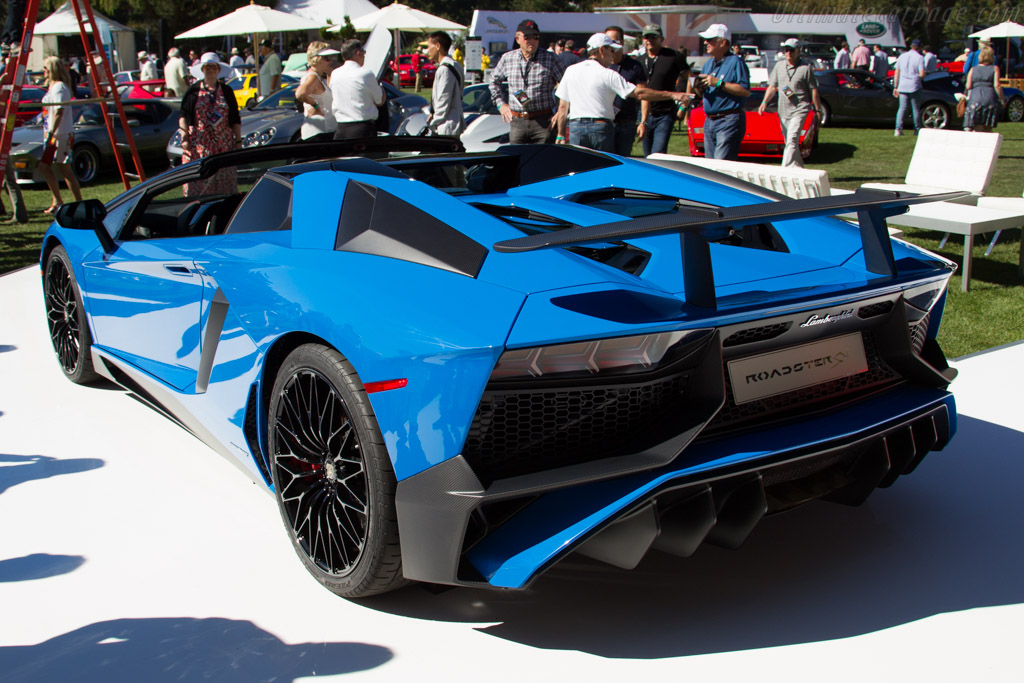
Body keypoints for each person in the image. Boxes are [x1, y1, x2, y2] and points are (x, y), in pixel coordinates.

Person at [555, 33, 688, 153]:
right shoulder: (608, 74)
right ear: (602, 50)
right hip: (600, 127)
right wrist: (672, 95)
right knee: (604, 172)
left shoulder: (571, 71)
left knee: (581, 172)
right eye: (611, 50)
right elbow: (640, 93)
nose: (613, 55)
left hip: (575, 127)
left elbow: (562, 106)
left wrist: (560, 135)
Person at [489, 19, 565, 144]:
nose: (532, 40)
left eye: (535, 36)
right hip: (517, 121)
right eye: (527, 37)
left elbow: (568, 85)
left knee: (542, 161)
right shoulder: (508, 58)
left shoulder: (550, 59)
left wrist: (560, 113)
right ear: (518, 39)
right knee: (517, 161)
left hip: (543, 122)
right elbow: (493, 81)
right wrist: (500, 104)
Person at [179, 52, 241, 197]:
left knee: (224, 184)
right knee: (201, 183)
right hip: (199, 145)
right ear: (202, 69)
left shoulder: (227, 91)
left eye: (213, 67)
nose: (210, 70)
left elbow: (235, 119)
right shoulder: (193, 92)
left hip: (223, 145)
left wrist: (238, 141)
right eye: (207, 67)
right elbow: (184, 116)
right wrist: (185, 137)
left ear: (218, 69)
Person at [759, 38, 821, 168]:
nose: (788, 53)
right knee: (789, 141)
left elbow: (813, 89)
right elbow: (772, 86)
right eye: (786, 50)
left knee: (792, 139)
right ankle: (798, 167)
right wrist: (764, 102)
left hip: (800, 108)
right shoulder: (779, 66)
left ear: (798, 51)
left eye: (791, 50)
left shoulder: (805, 68)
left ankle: (784, 170)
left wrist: (818, 109)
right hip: (783, 110)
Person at [694, 23, 750, 160]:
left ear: (723, 42)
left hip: (728, 119)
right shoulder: (708, 65)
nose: (706, 43)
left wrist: (719, 83)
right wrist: (698, 88)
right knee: (709, 166)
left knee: (720, 165)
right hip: (709, 120)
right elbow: (703, 94)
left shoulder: (736, 62)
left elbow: (745, 90)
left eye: (710, 40)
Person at [637, 23, 689, 156]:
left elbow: (689, 77)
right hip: (644, 113)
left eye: (653, 37)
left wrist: (684, 103)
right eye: (646, 37)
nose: (649, 40)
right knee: (647, 156)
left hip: (665, 113)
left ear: (661, 38)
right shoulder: (639, 60)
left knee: (658, 155)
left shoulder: (673, 56)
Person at [38, 56, 82, 213]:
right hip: (52, 134)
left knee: (65, 170)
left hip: (60, 134)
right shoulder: (52, 87)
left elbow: (59, 111)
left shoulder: (60, 87)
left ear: (52, 69)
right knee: (44, 165)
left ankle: (79, 202)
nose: (43, 71)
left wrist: (51, 132)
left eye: (45, 68)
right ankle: (57, 199)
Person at [329, 39, 384, 140]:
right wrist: (381, 87)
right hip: (362, 129)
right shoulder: (365, 73)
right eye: (364, 52)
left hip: (341, 128)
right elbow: (380, 100)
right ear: (358, 53)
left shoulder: (335, 74)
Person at [605, 25, 647, 156]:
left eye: (616, 41)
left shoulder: (634, 66)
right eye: (608, 41)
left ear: (622, 43)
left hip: (626, 123)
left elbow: (644, 95)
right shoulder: (601, 65)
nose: (612, 45)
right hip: (604, 123)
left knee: (622, 162)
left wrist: (643, 122)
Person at [425, 31, 465, 136]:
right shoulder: (456, 65)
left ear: (437, 46)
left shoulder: (444, 69)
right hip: (453, 123)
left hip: (446, 126)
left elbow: (443, 101)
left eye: (429, 47)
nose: (427, 51)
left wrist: (433, 123)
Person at [296, 42, 337, 141]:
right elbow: (300, 93)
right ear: (316, 59)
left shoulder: (316, 76)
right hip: (319, 134)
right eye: (327, 58)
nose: (331, 61)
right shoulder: (313, 76)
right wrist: (315, 105)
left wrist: (329, 74)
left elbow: (323, 94)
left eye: (331, 57)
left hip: (321, 131)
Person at [963, 47, 1005, 133]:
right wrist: (1002, 99)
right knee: (988, 127)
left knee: (977, 127)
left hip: (975, 98)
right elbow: (997, 85)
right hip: (989, 98)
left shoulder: (973, 69)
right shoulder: (994, 68)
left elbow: (968, 85)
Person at [893, 39, 926, 136]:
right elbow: (922, 74)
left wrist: (895, 86)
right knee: (915, 108)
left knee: (902, 108)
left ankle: (898, 129)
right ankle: (916, 129)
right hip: (914, 84)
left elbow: (897, 72)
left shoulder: (902, 56)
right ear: (919, 47)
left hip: (902, 84)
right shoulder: (919, 58)